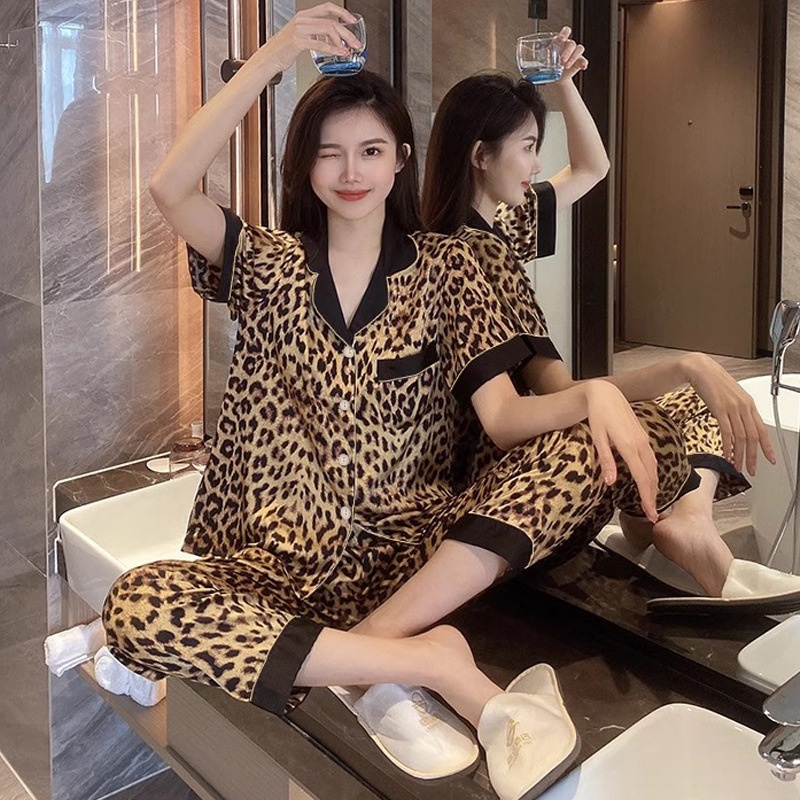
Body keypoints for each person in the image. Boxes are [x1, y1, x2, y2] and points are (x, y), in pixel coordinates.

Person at [102, 7, 696, 798]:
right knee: (136, 607)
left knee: (585, 448)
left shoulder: (448, 266)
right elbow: (169, 185)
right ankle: (427, 660)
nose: (351, 171)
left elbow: (503, 420)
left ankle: (365, 649)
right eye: (329, 152)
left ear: (401, 160)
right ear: (304, 166)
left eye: (371, 150)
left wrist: (596, 397)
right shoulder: (271, 266)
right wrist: (275, 55)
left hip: (422, 550)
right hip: (287, 561)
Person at [412, 31, 799, 611]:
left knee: (690, 398)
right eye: (527, 147)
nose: (536, 164)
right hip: (497, 478)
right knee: (661, 410)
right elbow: (548, 398)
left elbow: (593, 167)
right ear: (480, 155)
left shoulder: (494, 225)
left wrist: (564, 83)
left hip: (502, 456)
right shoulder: (470, 252)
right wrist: (682, 368)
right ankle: (679, 528)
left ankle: (675, 521)